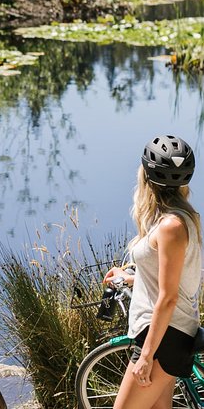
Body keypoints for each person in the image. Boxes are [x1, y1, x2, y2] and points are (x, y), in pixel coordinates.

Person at [103, 135, 201, 409]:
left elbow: (169, 297)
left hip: (164, 337)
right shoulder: (176, 218)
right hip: (164, 333)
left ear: (145, 175)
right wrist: (131, 278)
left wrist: (146, 356)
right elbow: (171, 279)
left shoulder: (171, 225)